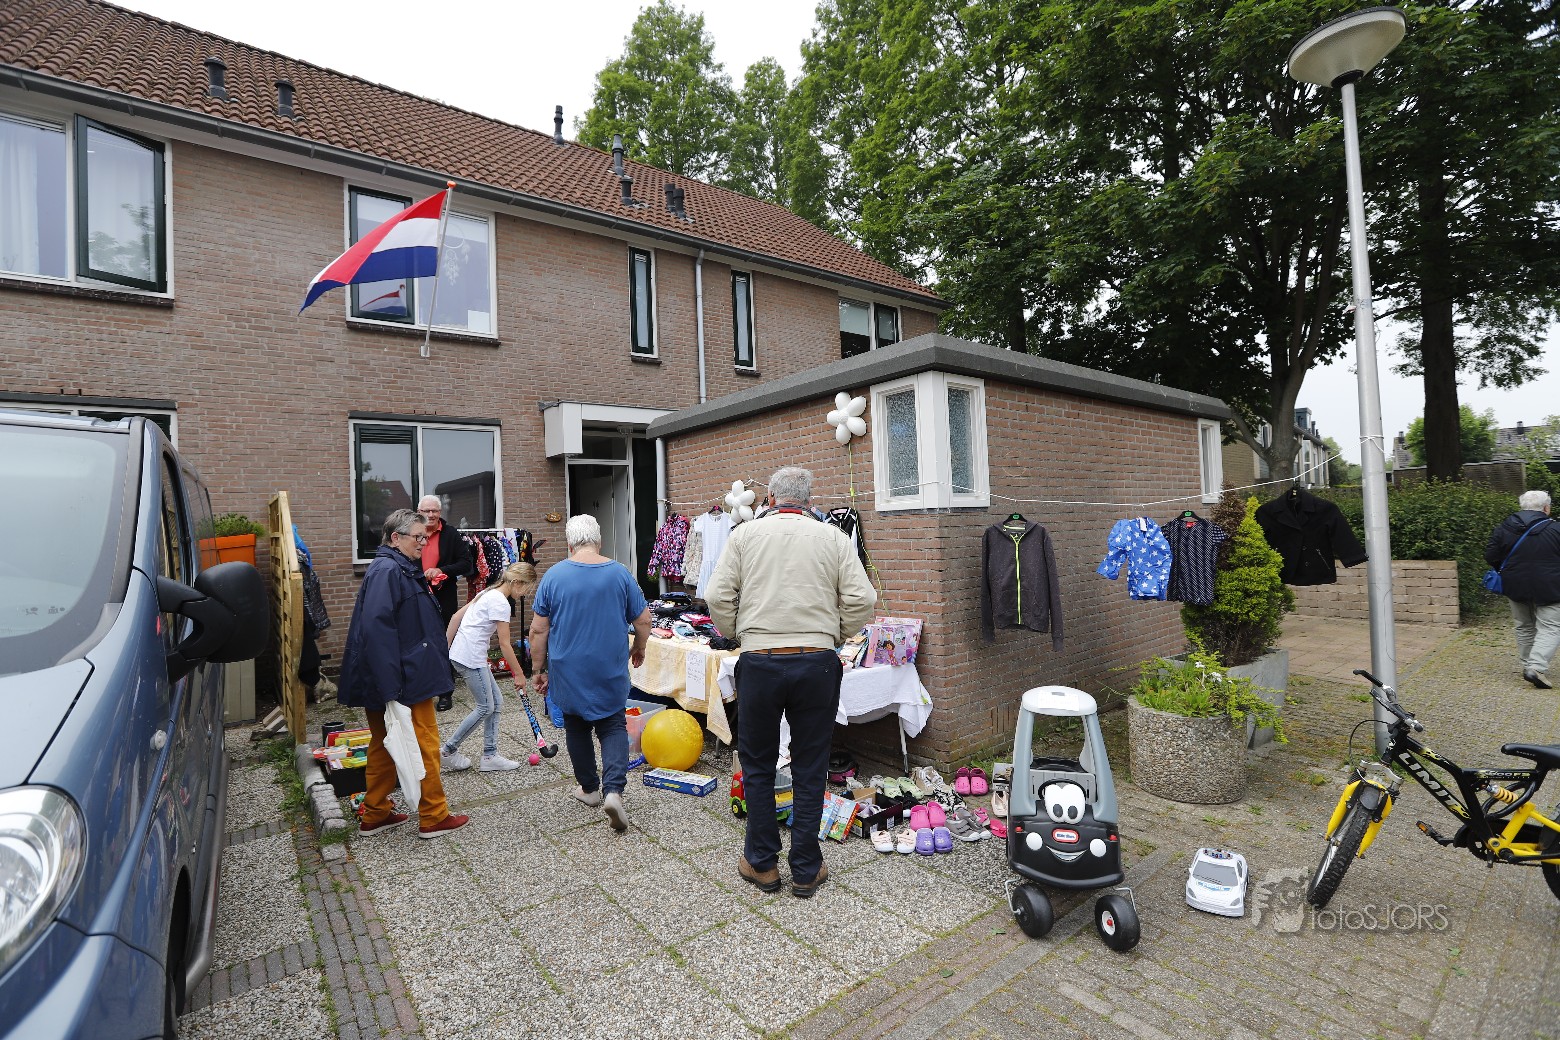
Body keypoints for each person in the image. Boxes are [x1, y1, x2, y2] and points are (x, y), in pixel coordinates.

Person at [705, 466, 876, 898]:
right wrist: (833, 635)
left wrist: (738, 633)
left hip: (760, 660)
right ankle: (805, 868)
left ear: (770, 499)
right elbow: (863, 599)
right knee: (810, 764)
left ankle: (762, 863)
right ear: (809, 500)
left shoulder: (744, 535)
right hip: (817, 662)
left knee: (758, 763)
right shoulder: (833, 537)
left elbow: (716, 596)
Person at [338, 508, 469, 838]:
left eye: (425, 537)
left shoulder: (396, 567)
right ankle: (434, 815)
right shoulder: (389, 571)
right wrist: (391, 687)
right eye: (418, 537)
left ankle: (375, 812)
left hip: (392, 676)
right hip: (403, 679)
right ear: (395, 538)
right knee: (423, 742)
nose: (423, 543)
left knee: (383, 743)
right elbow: (378, 630)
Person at [529, 515, 651, 831]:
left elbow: (538, 630)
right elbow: (643, 620)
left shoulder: (553, 576)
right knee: (612, 725)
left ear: (570, 544)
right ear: (599, 541)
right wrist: (639, 647)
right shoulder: (620, 573)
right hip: (608, 665)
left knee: (576, 725)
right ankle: (614, 791)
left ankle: (589, 789)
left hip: (567, 669)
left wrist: (538, 669)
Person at [442, 562, 539, 772]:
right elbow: (505, 644)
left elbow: (456, 617)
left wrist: (445, 650)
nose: (525, 594)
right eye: (526, 588)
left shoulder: (487, 592)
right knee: (485, 706)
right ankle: (448, 751)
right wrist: (519, 674)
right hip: (471, 657)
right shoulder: (500, 602)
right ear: (516, 582)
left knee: (496, 701)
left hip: (464, 653)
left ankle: (490, 755)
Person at [1485, 489, 1560, 690]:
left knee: (1523, 625)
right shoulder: (1556, 529)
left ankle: (1529, 665)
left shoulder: (1504, 528)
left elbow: (1491, 555)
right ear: (1546, 508)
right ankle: (1536, 667)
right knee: (1550, 627)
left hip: (1515, 584)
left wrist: (1509, 571)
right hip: (1551, 586)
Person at [417, 494, 474, 711]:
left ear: (440, 512)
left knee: (444, 641)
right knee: (418, 640)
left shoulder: (451, 534)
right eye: (426, 511)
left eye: (435, 511)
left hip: (444, 596)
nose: (431, 515)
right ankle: (421, 688)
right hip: (416, 595)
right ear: (419, 512)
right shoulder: (412, 533)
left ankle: (445, 692)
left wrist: (442, 570)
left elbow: (466, 564)